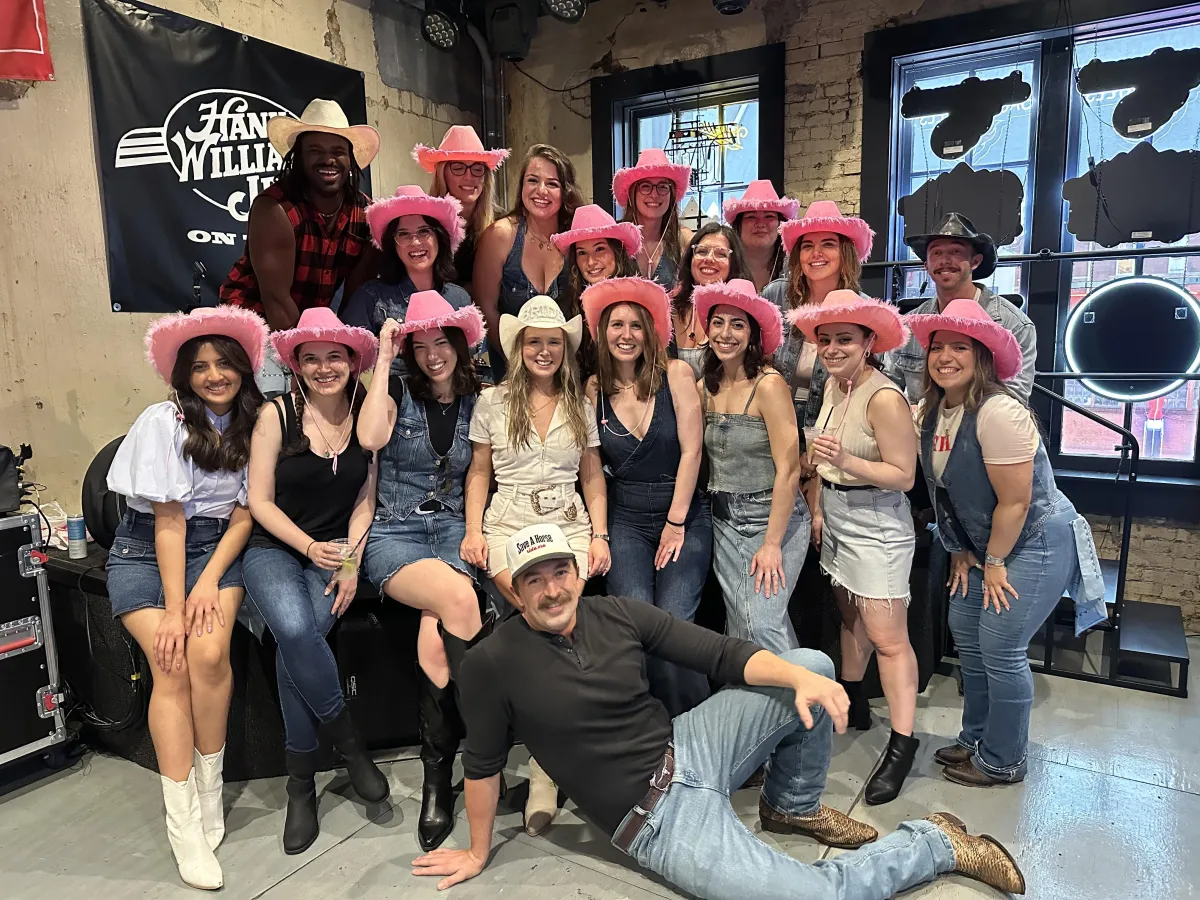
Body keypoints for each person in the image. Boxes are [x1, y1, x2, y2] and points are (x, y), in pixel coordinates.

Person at [410, 522, 1027, 899]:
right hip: (657, 821)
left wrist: (803, 680)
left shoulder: (614, 613)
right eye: (534, 579)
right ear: (514, 592)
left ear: (577, 573)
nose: (552, 589)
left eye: (560, 571)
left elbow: (719, 653)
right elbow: (483, 764)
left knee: (810, 666)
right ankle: (936, 842)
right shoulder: (492, 663)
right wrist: (478, 850)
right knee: (812, 896)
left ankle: (792, 804)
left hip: (688, 745)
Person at [909, 299, 1106, 788]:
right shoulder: (933, 411)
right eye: (938, 347)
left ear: (983, 356)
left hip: (1034, 541)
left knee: (1000, 648)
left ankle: (1004, 760)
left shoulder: (999, 412)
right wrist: (960, 548)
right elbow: (946, 491)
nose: (945, 357)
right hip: (984, 544)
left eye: (960, 347)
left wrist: (993, 560)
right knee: (967, 635)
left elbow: (1016, 503)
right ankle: (975, 737)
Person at [106, 307, 267, 890]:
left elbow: (247, 514)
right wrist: (176, 608)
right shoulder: (164, 420)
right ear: (183, 375)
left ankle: (209, 790)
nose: (213, 375)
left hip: (217, 550)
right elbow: (168, 521)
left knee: (209, 655)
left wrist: (207, 581)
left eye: (224, 363)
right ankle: (183, 824)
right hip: (144, 549)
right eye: (200, 367)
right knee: (171, 662)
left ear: (243, 368)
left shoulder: (258, 422)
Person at [460, 295, 610, 836]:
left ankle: (548, 769)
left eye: (553, 342)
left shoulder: (579, 403)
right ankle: (531, 758)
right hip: (508, 522)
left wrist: (599, 535)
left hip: (567, 522)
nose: (544, 351)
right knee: (537, 624)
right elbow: (480, 472)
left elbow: (591, 473)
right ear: (518, 348)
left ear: (565, 348)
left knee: (560, 629)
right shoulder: (493, 401)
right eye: (534, 342)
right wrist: (473, 530)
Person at [243, 308, 388, 855]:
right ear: (296, 365)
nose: (324, 367)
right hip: (275, 548)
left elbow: (366, 497)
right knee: (296, 629)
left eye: (334, 356)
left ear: (352, 361)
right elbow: (259, 501)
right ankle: (350, 747)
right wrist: (308, 547)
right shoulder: (276, 415)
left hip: (336, 553)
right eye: (311, 358)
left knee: (294, 649)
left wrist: (350, 562)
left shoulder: (366, 412)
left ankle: (300, 785)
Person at [356, 291, 488, 851]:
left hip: (453, 529)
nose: (433, 355)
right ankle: (486, 753)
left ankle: (439, 776)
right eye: (421, 345)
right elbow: (369, 438)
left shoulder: (478, 397)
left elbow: (482, 471)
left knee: (436, 638)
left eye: (442, 342)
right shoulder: (394, 390)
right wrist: (384, 357)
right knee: (459, 601)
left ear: (459, 344)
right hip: (394, 532)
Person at [788, 291, 921, 806]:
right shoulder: (834, 385)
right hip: (840, 514)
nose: (832, 348)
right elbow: (825, 459)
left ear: (869, 341)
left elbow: (904, 476)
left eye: (844, 339)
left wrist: (845, 460)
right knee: (849, 614)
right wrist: (821, 502)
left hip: (878, 522)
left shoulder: (883, 397)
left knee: (888, 637)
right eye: (825, 339)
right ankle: (855, 699)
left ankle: (902, 745)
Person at [581, 276, 711, 716]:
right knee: (636, 621)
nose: (626, 335)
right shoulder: (594, 389)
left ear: (650, 331)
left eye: (636, 325)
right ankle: (650, 726)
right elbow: (591, 466)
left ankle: (696, 725)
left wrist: (675, 522)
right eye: (616, 325)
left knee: (674, 623)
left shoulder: (676, 374)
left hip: (683, 513)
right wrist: (600, 532)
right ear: (602, 332)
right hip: (626, 518)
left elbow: (692, 451)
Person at [695, 278, 808, 654]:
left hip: (772, 519)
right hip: (725, 520)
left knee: (761, 622)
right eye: (718, 322)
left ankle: (805, 688)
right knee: (743, 623)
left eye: (737, 324)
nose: (725, 333)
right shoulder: (704, 387)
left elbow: (789, 470)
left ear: (753, 333)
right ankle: (785, 689)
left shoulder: (770, 385)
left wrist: (772, 544)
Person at [220, 100, 380, 331]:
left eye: (338, 152)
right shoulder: (275, 208)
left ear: (350, 159)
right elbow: (277, 302)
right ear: (299, 157)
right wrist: (309, 349)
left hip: (308, 325)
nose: (328, 160)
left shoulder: (365, 213)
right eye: (315, 151)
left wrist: (345, 343)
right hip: (250, 323)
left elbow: (356, 297)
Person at [891, 212, 1037, 402]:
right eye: (936, 253)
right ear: (926, 265)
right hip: (920, 420)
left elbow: (1014, 397)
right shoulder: (908, 327)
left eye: (955, 251)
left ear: (975, 261)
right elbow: (890, 383)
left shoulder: (1014, 325)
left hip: (982, 421)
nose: (945, 260)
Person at [765, 200, 875, 448]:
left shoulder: (862, 308)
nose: (816, 253)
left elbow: (867, 382)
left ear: (844, 252)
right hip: (774, 427)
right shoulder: (776, 296)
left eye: (828, 244)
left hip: (835, 432)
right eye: (807, 246)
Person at [474, 144, 583, 381]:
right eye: (532, 180)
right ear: (521, 186)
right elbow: (486, 309)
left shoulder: (577, 237)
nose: (541, 191)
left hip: (566, 372)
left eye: (552, 184)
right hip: (510, 371)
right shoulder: (500, 235)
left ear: (565, 190)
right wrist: (517, 364)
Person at [338, 185, 473, 375]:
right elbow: (347, 364)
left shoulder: (459, 299)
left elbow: (466, 365)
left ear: (439, 237)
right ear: (392, 244)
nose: (415, 242)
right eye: (403, 234)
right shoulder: (370, 298)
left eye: (424, 231)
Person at [415, 125, 510, 296]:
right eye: (458, 168)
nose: (469, 176)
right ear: (443, 173)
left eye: (477, 168)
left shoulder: (503, 225)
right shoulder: (424, 222)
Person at [552, 203, 643, 379]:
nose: (591, 262)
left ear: (617, 251)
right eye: (582, 253)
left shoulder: (644, 300)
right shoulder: (563, 310)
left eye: (600, 249)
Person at [670, 222, 751, 379]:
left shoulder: (747, 311)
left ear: (733, 262)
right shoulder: (669, 307)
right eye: (702, 251)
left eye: (721, 254)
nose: (709, 259)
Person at [612, 147, 694, 291]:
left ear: (671, 195)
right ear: (632, 193)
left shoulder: (684, 239)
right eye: (645, 186)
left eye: (662, 187)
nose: (654, 194)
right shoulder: (615, 239)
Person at [723, 179, 797, 292]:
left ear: (780, 224)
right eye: (751, 217)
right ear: (738, 225)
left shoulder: (796, 268)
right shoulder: (723, 266)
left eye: (769, 216)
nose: (760, 224)